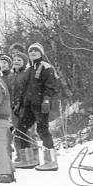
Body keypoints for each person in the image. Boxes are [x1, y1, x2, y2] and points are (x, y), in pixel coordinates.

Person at [15, 43, 58, 171]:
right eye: (31, 51)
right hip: (29, 105)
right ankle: (28, 159)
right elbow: (25, 88)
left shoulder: (46, 67)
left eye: (36, 50)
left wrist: (46, 100)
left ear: (41, 53)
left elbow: (51, 86)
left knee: (42, 130)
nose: (33, 52)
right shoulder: (30, 69)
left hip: (41, 105)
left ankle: (51, 161)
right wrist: (20, 104)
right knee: (21, 129)